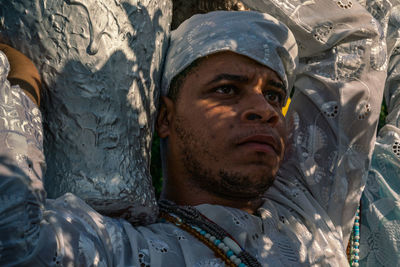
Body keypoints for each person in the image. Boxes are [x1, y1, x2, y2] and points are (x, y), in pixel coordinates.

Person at [0, 4, 395, 267]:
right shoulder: (131, 250)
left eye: (275, 95)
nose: (266, 110)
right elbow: (15, 240)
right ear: (165, 119)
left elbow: (349, 46)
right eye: (226, 90)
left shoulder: (306, 209)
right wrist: (20, 88)